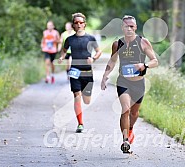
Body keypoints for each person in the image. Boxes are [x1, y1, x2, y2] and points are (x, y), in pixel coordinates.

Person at [101, 15, 158, 153]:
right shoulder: (117, 44)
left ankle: (130, 128)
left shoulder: (143, 42)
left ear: (136, 27)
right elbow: (112, 61)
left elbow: (155, 61)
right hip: (123, 81)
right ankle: (125, 140)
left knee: (134, 113)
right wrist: (104, 76)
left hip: (139, 83)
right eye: (126, 26)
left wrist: (144, 65)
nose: (129, 29)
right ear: (122, 27)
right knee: (125, 109)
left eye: (132, 26)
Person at [58, 13, 102, 133]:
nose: (78, 25)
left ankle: (84, 95)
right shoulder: (69, 39)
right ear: (73, 25)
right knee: (77, 96)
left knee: (86, 100)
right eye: (76, 23)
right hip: (75, 71)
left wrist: (93, 58)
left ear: (84, 24)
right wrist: (62, 57)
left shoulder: (90, 38)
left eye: (81, 23)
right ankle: (80, 123)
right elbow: (64, 50)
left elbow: (98, 52)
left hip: (87, 72)